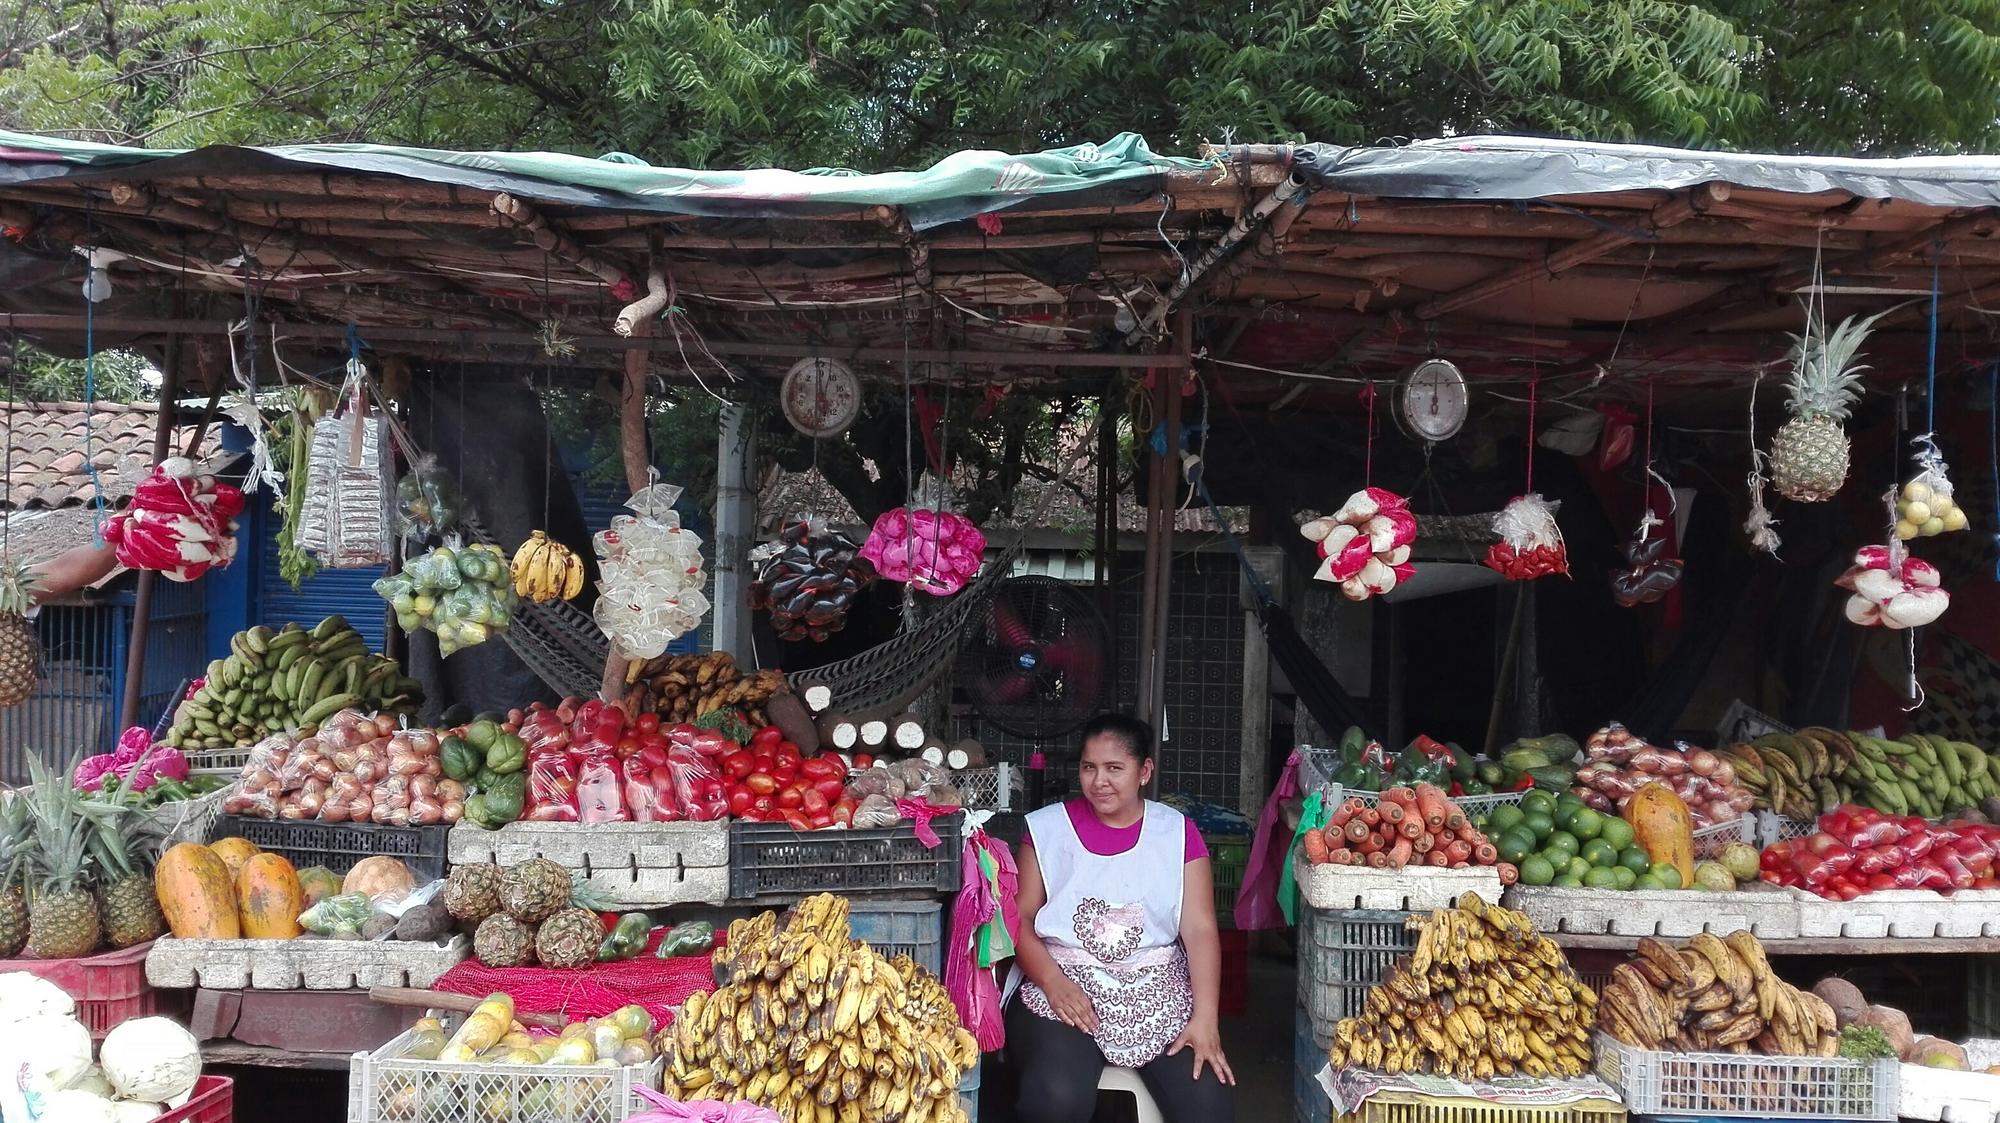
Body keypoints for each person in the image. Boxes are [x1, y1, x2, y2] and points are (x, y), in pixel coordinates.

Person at [1008, 713, 1234, 1123]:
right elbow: (1019, 919)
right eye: (1089, 767)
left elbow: (1200, 929)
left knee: (1208, 1107)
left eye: (1114, 768)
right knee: (1057, 1099)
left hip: (1157, 991)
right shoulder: (1046, 830)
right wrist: (1053, 982)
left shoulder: (1176, 832)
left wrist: (1205, 1019)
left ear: (1144, 771)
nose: (1099, 781)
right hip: (1061, 984)